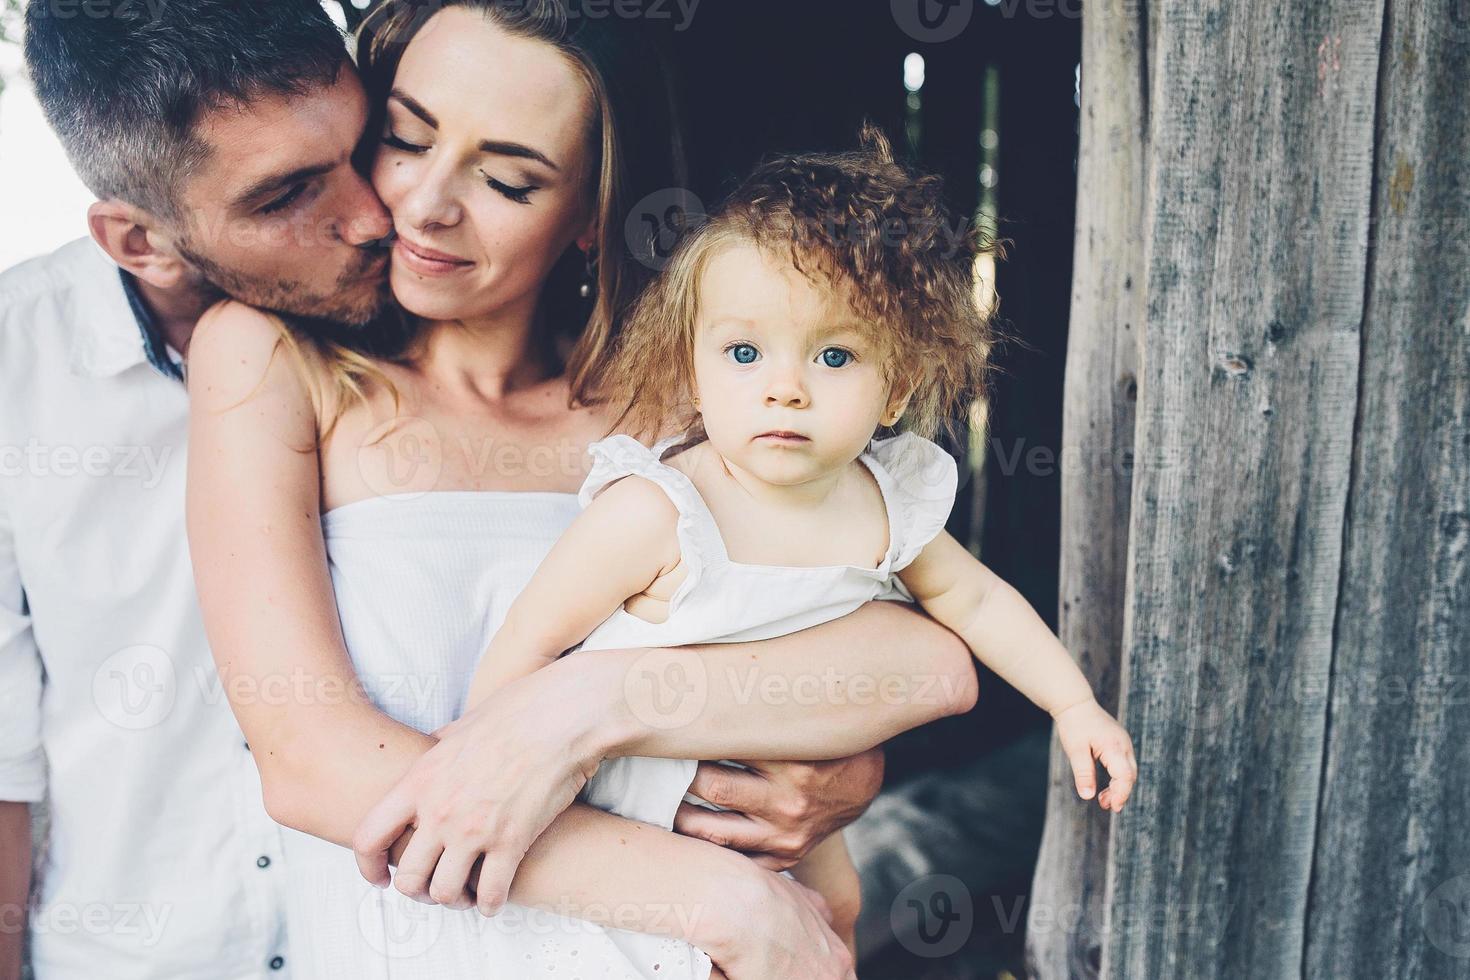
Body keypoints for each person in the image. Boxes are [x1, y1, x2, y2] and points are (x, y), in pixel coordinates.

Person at [8, 0, 931, 975]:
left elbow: (899, 652)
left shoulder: (676, 396)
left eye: (507, 178)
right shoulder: (241, 360)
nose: (396, 210)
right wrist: (721, 898)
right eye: (402, 142)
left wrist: (604, 709)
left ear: (588, 217)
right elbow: (308, 758)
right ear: (139, 240)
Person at [462, 126, 1140, 957]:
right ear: (695, 372)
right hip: (634, 795)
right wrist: (493, 771)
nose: (785, 388)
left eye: (834, 355)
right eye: (745, 352)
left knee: (839, 916)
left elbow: (979, 600)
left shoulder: (885, 504)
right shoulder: (659, 509)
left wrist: (1070, 704)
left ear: (895, 390)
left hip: (783, 784)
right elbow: (527, 645)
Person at [3, 1, 395, 974]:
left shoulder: (448, 320)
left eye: (369, 147)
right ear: (137, 240)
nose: (373, 216)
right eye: (285, 195)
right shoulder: (13, 371)